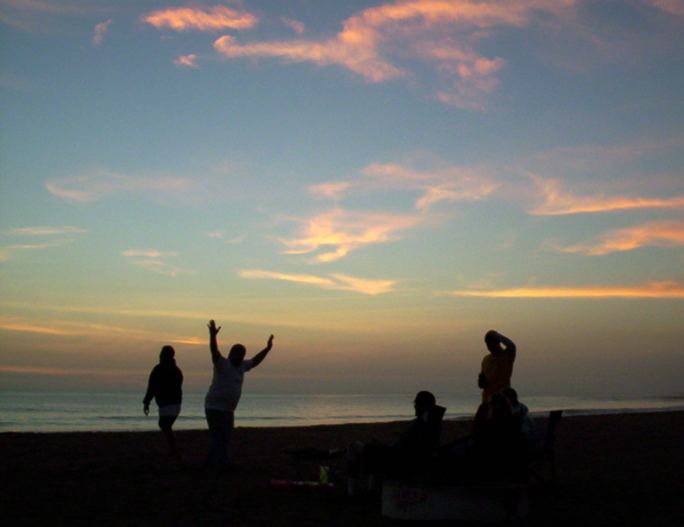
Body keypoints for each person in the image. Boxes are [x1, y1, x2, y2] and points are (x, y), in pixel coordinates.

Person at [204, 320, 274, 471]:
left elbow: (255, 360)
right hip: (214, 407)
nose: (240, 357)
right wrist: (212, 336)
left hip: (228, 409)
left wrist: (267, 349)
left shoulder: (242, 366)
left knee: (224, 437)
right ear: (231, 354)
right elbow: (214, 351)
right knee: (219, 437)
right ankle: (223, 464)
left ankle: (210, 462)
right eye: (237, 354)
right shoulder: (222, 363)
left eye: (242, 355)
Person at [347, 391, 445, 496]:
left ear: (420, 406)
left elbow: (399, 451)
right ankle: (372, 490)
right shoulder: (433, 425)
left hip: (401, 464)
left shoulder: (418, 426)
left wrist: (380, 445)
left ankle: (352, 493)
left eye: (416, 404)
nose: (414, 407)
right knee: (374, 451)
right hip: (414, 463)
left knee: (354, 447)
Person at [143, 345, 183, 460]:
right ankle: (174, 450)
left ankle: (175, 451)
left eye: (161, 354)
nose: (159, 356)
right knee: (166, 425)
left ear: (164, 356)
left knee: (164, 425)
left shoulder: (159, 369)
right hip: (175, 403)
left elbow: (152, 387)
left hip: (167, 403)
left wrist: (147, 402)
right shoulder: (177, 370)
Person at [478, 330, 517, 404]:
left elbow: (511, 346)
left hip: (502, 400)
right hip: (487, 400)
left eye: (492, 343)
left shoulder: (506, 356)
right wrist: (481, 381)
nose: (490, 346)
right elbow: (482, 385)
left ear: (498, 342)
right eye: (488, 344)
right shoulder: (485, 359)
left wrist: (497, 335)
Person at [501, 387, 541, 453]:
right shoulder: (522, 412)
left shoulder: (518, 415)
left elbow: (523, 435)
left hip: (526, 449)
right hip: (530, 445)